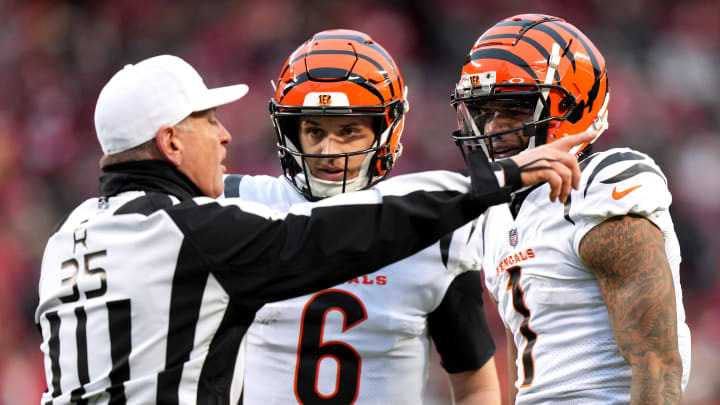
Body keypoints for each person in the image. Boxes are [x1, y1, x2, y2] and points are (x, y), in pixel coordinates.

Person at [34, 54, 589, 405]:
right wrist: (495, 179)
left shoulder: (70, 232)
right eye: (208, 122)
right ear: (171, 142)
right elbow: (335, 234)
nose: (226, 136)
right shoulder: (198, 230)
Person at [226, 29, 498, 404]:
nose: (328, 150)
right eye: (313, 130)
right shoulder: (239, 204)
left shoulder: (435, 230)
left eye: (349, 131)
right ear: (290, 132)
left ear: (385, 131)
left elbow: (475, 383)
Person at [450, 14, 692, 404]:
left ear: (574, 108)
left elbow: (658, 361)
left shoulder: (600, 188)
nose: (493, 128)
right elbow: (526, 367)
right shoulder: (495, 215)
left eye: (512, 109)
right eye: (484, 112)